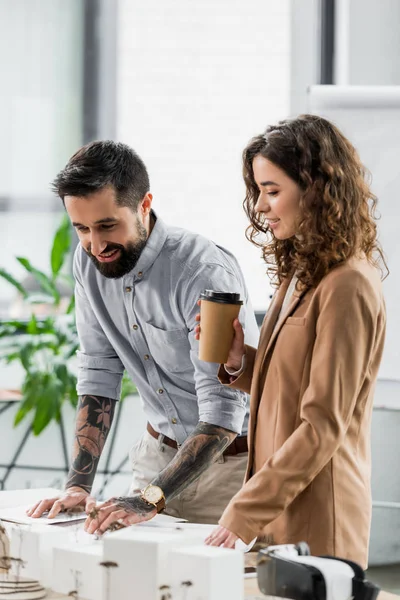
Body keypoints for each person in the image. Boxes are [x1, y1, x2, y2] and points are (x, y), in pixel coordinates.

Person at [27, 140, 259, 533]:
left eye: (106, 226)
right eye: (81, 228)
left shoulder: (202, 272)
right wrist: (78, 486)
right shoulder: (87, 264)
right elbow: (99, 371)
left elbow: (222, 415)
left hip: (231, 469)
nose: (95, 246)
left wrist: (151, 498)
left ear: (144, 205)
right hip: (157, 456)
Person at [197, 115, 387, 568]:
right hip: (281, 509)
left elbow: (323, 423)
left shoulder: (348, 285)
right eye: (259, 191)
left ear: (317, 189)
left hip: (321, 515)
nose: (261, 206)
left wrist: (243, 509)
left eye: (273, 190)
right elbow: (292, 383)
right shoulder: (302, 273)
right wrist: (239, 361)